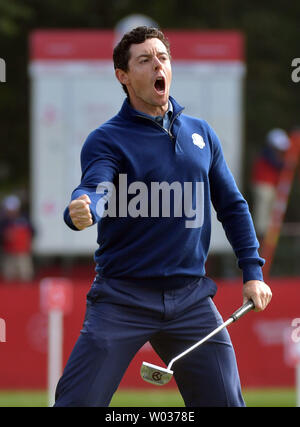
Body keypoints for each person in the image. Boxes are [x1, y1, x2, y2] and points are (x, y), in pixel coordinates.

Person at [54, 26, 272, 407]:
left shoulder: (201, 133)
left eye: (163, 57)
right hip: (121, 298)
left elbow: (233, 206)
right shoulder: (107, 138)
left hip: (191, 299)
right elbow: (96, 187)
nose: (158, 64)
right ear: (123, 76)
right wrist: (82, 208)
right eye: (144, 60)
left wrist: (253, 271)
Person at [251, 128, 290, 241]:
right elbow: (276, 164)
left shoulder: (272, 153)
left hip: (270, 185)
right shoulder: (267, 152)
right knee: (263, 208)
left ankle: (267, 230)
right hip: (263, 184)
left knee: (270, 208)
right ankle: (261, 232)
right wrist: (287, 164)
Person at [0, 195, 34, 282]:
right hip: (9, 253)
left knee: (25, 275)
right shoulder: (3, 221)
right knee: (9, 276)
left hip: (23, 253)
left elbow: (33, 232)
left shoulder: (25, 219)